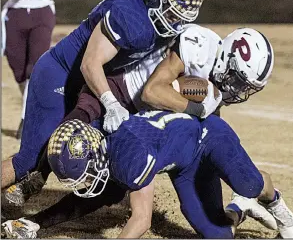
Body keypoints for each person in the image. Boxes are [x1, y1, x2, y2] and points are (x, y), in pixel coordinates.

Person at [3, 27, 271, 206]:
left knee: (115, 177)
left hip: (138, 112)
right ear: (227, 58)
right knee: (71, 135)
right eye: (238, 80)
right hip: (120, 85)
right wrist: (198, 109)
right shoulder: (199, 47)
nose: (238, 90)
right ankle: (35, 178)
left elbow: (211, 131)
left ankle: (56, 216)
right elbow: (153, 92)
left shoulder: (212, 84)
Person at [1, 0, 204, 192]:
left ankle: (25, 192)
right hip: (61, 74)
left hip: (89, 83)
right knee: (29, 160)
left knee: (84, 149)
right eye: (172, 13)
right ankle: (25, 185)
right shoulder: (130, 14)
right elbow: (90, 64)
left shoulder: (151, 14)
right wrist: (111, 103)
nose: (176, 22)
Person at [3, 113, 293, 238]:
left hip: (209, 138)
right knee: (217, 235)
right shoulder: (98, 140)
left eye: (85, 174)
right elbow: (82, 203)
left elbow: (140, 221)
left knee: (251, 184)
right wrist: (35, 222)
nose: (85, 183)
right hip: (183, 163)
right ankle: (239, 208)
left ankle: (280, 210)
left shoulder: (129, 158)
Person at [1, 0, 64, 139]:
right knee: (18, 69)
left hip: (41, 12)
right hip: (15, 13)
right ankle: (31, 104)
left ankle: (26, 118)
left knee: (35, 67)